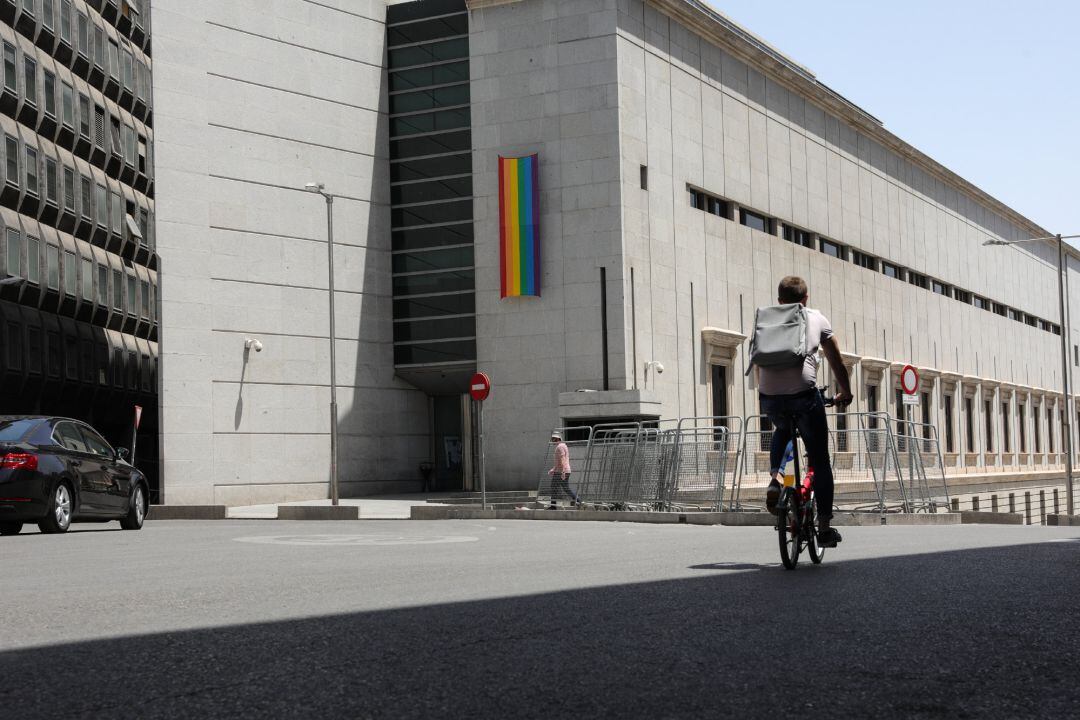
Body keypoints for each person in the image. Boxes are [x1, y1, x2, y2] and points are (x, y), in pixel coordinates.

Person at [757, 276, 852, 547]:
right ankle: (823, 527)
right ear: (805, 299)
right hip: (804, 396)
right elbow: (836, 360)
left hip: (770, 396)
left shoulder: (766, 318)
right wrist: (846, 392)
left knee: (783, 429)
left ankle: (776, 478)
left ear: (779, 301)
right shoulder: (816, 317)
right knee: (820, 460)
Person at [547, 431, 578, 509]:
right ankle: (578, 500)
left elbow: (562, 459)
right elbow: (560, 461)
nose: (552, 440)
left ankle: (553, 506)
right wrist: (553, 469)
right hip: (563, 470)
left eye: (553, 439)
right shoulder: (564, 445)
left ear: (557, 439)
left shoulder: (559, 447)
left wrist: (563, 471)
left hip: (561, 471)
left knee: (554, 487)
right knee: (565, 488)